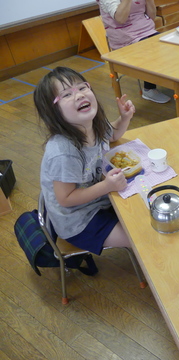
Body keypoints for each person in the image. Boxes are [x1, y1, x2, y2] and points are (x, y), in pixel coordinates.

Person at [34, 66, 135, 255]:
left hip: (101, 199)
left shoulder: (93, 124)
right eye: (66, 95)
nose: (79, 95)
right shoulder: (64, 151)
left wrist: (124, 118)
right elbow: (65, 198)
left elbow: (112, 134)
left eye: (82, 87)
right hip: (79, 221)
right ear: (52, 112)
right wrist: (107, 187)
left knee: (145, 211)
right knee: (140, 236)